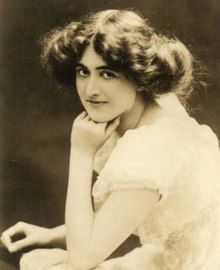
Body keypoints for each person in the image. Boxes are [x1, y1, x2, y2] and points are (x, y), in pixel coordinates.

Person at [1, 9, 220, 270]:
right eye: (84, 71)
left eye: (107, 74)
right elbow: (123, 213)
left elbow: (83, 260)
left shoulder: (155, 145)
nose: (90, 90)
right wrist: (52, 235)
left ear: (140, 76)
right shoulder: (149, 111)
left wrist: (81, 152)